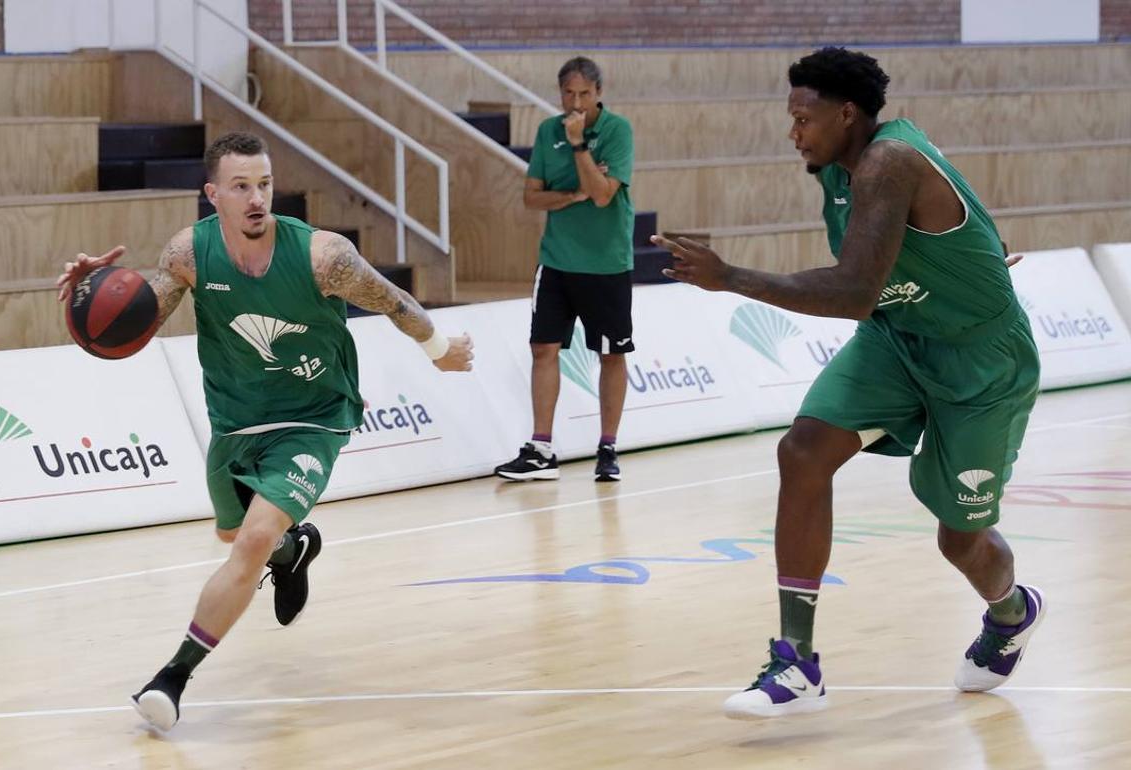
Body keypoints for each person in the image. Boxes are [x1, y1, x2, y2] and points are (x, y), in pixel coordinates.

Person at [651, 47, 1045, 719]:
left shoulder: (889, 161)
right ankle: (797, 662)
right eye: (791, 118)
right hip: (899, 338)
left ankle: (1012, 612)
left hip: (981, 363)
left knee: (961, 540)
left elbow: (857, 290)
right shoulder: (839, 166)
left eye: (803, 119)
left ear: (847, 113)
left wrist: (732, 278)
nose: (793, 132)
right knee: (803, 451)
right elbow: (922, 247)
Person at [56, 131, 474, 731]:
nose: (257, 198)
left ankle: (171, 679)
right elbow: (138, 319)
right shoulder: (191, 255)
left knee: (249, 542)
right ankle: (293, 548)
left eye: (265, 184)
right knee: (237, 536)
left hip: (313, 418)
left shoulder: (322, 256)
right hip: (236, 423)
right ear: (213, 195)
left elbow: (392, 300)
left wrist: (439, 350)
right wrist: (87, 299)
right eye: (241, 187)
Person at [494, 55, 636, 483]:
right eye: (568, 94)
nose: (575, 102)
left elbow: (602, 196)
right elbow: (531, 198)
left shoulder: (617, 131)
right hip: (556, 261)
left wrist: (578, 147)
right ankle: (541, 449)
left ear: (599, 93)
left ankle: (607, 447)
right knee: (544, 348)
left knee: (610, 354)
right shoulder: (545, 131)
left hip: (606, 262)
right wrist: (570, 195)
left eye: (584, 94)